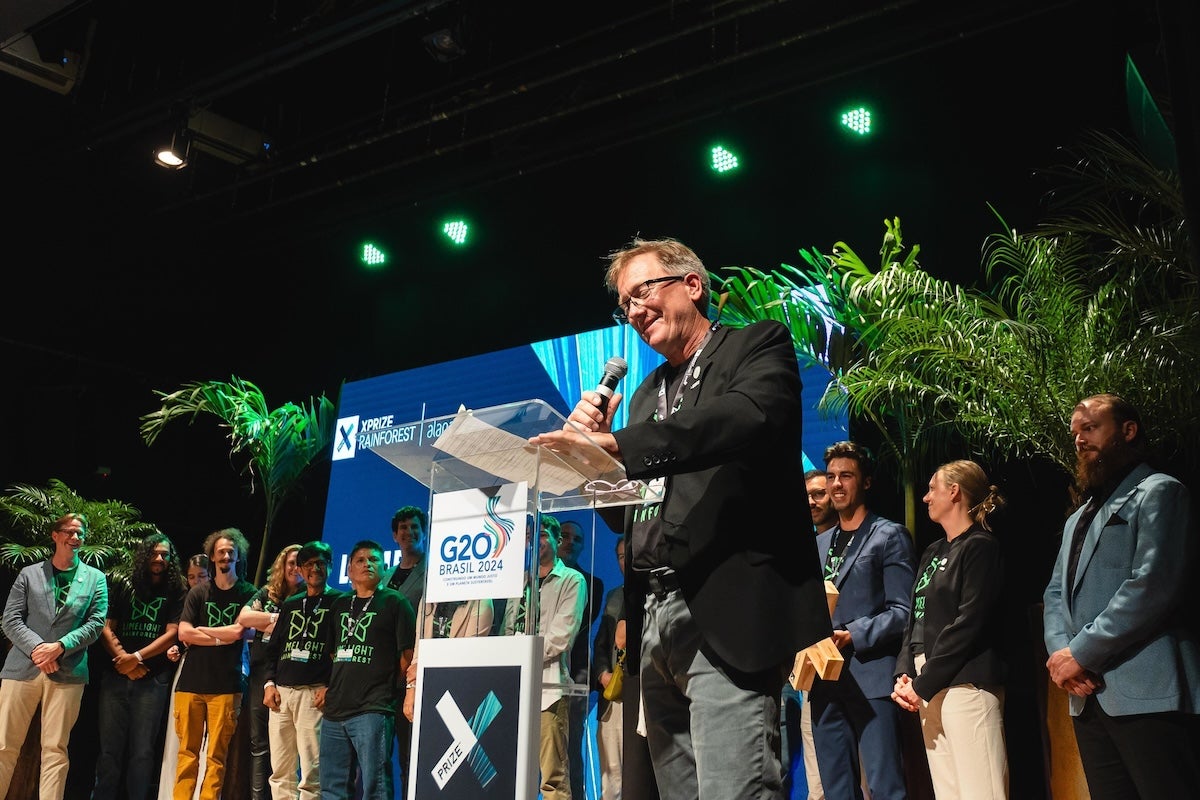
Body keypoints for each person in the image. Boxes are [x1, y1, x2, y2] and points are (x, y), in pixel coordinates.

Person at [529, 237, 830, 800]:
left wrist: (619, 442)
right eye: (624, 306)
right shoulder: (643, 395)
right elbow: (628, 520)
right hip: (653, 620)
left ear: (691, 285)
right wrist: (590, 463)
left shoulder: (754, 346)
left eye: (643, 291)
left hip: (725, 607)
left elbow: (747, 419)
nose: (634, 311)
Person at [1042, 393, 1200, 799]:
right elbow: (1056, 592)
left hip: (1148, 692)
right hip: (1088, 697)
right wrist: (1063, 656)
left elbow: (1153, 585)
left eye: (1090, 428)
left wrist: (1080, 653)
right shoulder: (1078, 516)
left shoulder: (1160, 492)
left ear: (1128, 431)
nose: (1079, 439)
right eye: (1075, 433)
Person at [892, 460, 1009, 799]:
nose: (926, 498)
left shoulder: (981, 546)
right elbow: (915, 617)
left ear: (954, 491)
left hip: (965, 682)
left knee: (980, 790)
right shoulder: (932, 551)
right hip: (925, 681)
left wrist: (924, 682)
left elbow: (969, 623)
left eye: (932, 489)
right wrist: (904, 672)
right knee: (948, 792)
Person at [808, 441, 915, 800]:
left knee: (886, 787)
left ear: (865, 482)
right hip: (824, 682)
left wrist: (852, 634)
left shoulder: (889, 535)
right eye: (833, 476)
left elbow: (902, 613)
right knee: (837, 790)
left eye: (846, 476)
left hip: (870, 680)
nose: (837, 484)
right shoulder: (819, 544)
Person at [0, 512, 107, 800]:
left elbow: (96, 623)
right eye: (70, 532)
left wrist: (59, 646)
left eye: (80, 534)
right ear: (55, 536)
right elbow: (10, 619)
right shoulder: (30, 574)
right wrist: (38, 649)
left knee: (55, 749)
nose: (75, 538)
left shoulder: (95, 579)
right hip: (23, 667)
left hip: (67, 670)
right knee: (4, 746)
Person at [93, 532, 188, 800]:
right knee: (109, 750)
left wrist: (135, 658)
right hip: (115, 677)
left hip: (153, 679)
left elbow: (173, 633)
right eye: (154, 553)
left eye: (164, 554)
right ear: (144, 555)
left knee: (143, 752)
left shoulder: (177, 588)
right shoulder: (124, 582)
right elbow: (105, 627)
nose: (159, 559)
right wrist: (125, 659)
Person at [319, 539, 416, 800]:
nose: (367, 564)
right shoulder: (339, 604)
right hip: (335, 710)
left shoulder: (396, 603)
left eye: (374, 560)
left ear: (385, 568)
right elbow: (333, 650)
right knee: (331, 787)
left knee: (376, 787)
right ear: (349, 569)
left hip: (373, 707)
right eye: (360, 560)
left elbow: (406, 654)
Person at [501, 514, 586, 800]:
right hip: (514, 687)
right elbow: (507, 629)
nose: (533, 540)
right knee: (512, 773)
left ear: (556, 540)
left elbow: (561, 637)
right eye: (528, 535)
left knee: (553, 779)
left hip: (548, 688)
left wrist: (523, 655)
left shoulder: (572, 580)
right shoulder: (518, 581)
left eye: (540, 534)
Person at [173, 528, 257, 800]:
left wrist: (204, 633)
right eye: (220, 551)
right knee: (187, 754)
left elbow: (245, 632)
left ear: (238, 557)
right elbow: (184, 633)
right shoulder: (199, 592)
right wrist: (224, 636)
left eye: (231, 552)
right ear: (212, 556)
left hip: (226, 685)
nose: (225, 555)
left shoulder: (248, 593)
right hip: (191, 684)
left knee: (216, 758)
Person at [262, 540, 341, 800]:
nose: (314, 569)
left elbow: (342, 651)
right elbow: (272, 649)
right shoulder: (291, 604)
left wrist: (330, 686)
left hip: (313, 695)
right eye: (308, 564)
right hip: (281, 695)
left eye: (320, 563)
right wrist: (269, 684)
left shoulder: (340, 602)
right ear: (300, 570)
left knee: (312, 774)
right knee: (280, 772)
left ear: (330, 565)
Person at [237, 542, 305, 800]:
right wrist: (280, 620)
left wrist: (265, 622)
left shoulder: (308, 595)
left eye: (300, 563)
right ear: (282, 565)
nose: (294, 568)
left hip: (289, 673)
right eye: (290, 562)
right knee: (259, 743)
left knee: (289, 745)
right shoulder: (268, 594)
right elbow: (244, 618)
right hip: (259, 673)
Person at [787, 469, 839, 800]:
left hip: (853, 671)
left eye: (818, 494)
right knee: (816, 779)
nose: (811, 501)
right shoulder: (802, 549)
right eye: (806, 496)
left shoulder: (862, 539)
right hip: (808, 675)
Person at [558, 518, 606, 800]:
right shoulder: (532, 577)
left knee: (570, 743)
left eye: (577, 540)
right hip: (536, 669)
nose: (570, 542)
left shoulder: (592, 584)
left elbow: (579, 626)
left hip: (574, 669)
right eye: (565, 536)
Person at [159, 554, 211, 800]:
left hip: (215, 675)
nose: (196, 581)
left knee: (207, 746)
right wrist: (177, 648)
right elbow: (184, 636)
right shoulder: (186, 600)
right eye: (191, 577)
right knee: (180, 741)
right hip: (187, 672)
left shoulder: (217, 597)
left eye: (201, 576)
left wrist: (195, 635)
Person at [384, 504, 428, 792]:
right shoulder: (385, 576)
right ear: (395, 536)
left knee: (411, 755)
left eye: (414, 527)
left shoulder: (432, 572)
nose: (409, 532)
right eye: (403, 528)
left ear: (424, 533)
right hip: (382, 678)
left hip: (413, 673)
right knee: (379, 756)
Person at [401, 594, 494, 723]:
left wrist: (424, 666)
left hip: (458, 687)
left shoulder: (480, 599)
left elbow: (468, 655)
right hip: (427, 685)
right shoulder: (429, 595)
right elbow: (418, 649)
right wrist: (411, 688)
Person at [591, 535, 626, 800]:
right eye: (621, 557)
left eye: (630, 554)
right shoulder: (615, 596)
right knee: (612, 773)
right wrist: (603, 673)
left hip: (649, 695)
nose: (626, 561)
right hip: (615, 697)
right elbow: (601, 642)